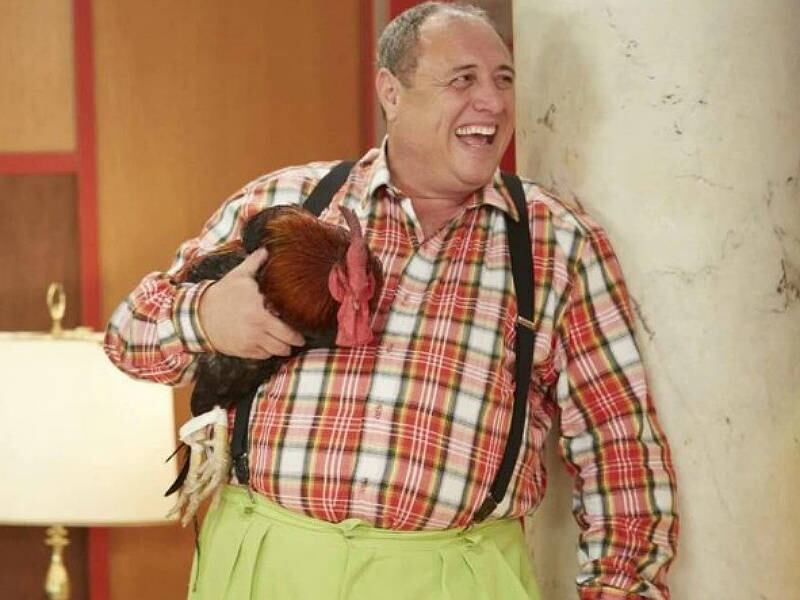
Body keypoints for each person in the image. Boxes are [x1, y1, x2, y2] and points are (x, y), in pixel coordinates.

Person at [105, 2, 678, 599]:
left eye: (504, 79)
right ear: (392, 92)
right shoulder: (287, 198)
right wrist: (204, 318)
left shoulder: (557, 242)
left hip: (457, 580)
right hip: (263, 569)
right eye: (463, 80)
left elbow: (621, 449)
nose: (492, 101)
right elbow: (127, 338)